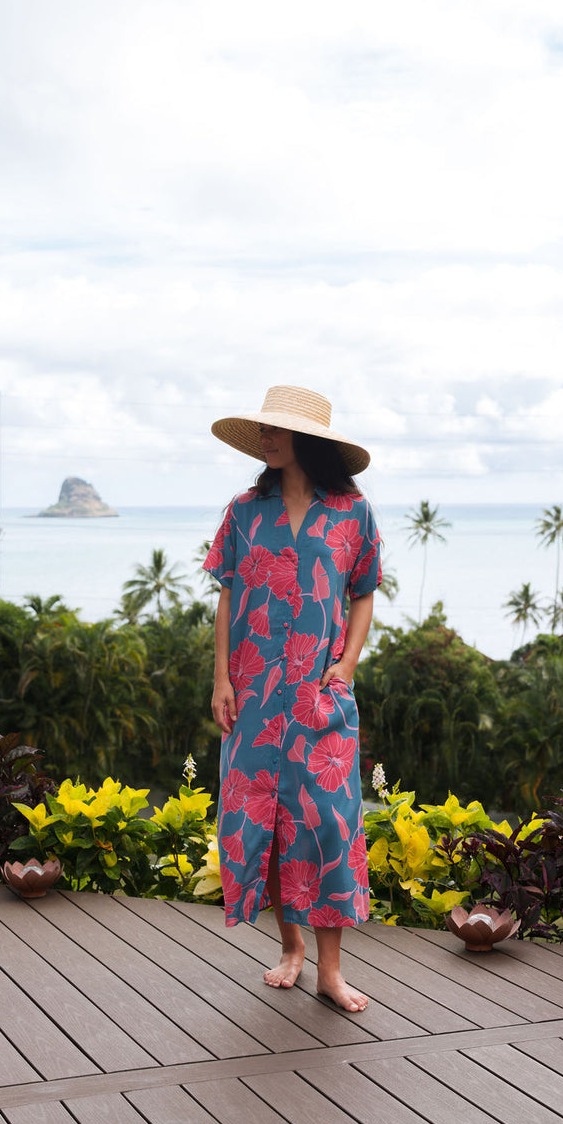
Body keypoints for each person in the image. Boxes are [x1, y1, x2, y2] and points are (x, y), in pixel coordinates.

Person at [203, 385, 381, 1013]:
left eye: (277, 430)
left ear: (308, 441)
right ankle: (290, 948)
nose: (267, 439)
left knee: (328, 824)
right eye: (264, 430)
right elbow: (226, 595)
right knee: (265, 825)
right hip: (252, 697)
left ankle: (329, 970)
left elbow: (363, 592)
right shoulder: (245, 512)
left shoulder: (352, 513)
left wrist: (347, 663)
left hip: (319, 696)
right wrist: (222, 680)